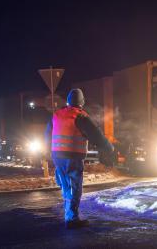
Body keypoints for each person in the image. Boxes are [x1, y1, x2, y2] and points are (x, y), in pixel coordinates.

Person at [44, 88, 114, 229]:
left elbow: (47, 135)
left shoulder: (57, 115)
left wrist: (48, 153)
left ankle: (69, 215)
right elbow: (96, 134)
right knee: (75, 187)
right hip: (73, 157)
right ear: (82, 102)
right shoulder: (80, 116)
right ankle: (72, 219)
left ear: (68, 101)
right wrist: (108, 147)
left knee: (65, 186)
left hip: (57, 156)